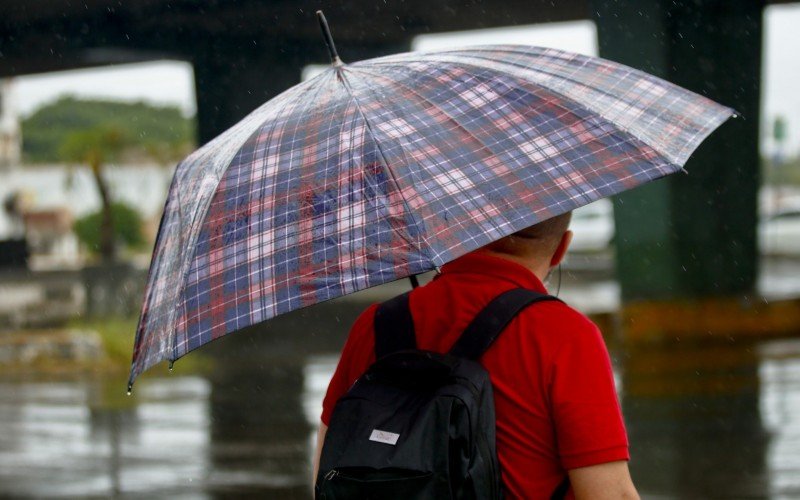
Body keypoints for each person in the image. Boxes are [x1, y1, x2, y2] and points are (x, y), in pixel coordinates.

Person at [314, 212, 639, 499]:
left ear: (450, 228)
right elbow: (608, 493)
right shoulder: (565, 335)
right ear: (561, 248)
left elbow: (329, 465)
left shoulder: (376, 324)